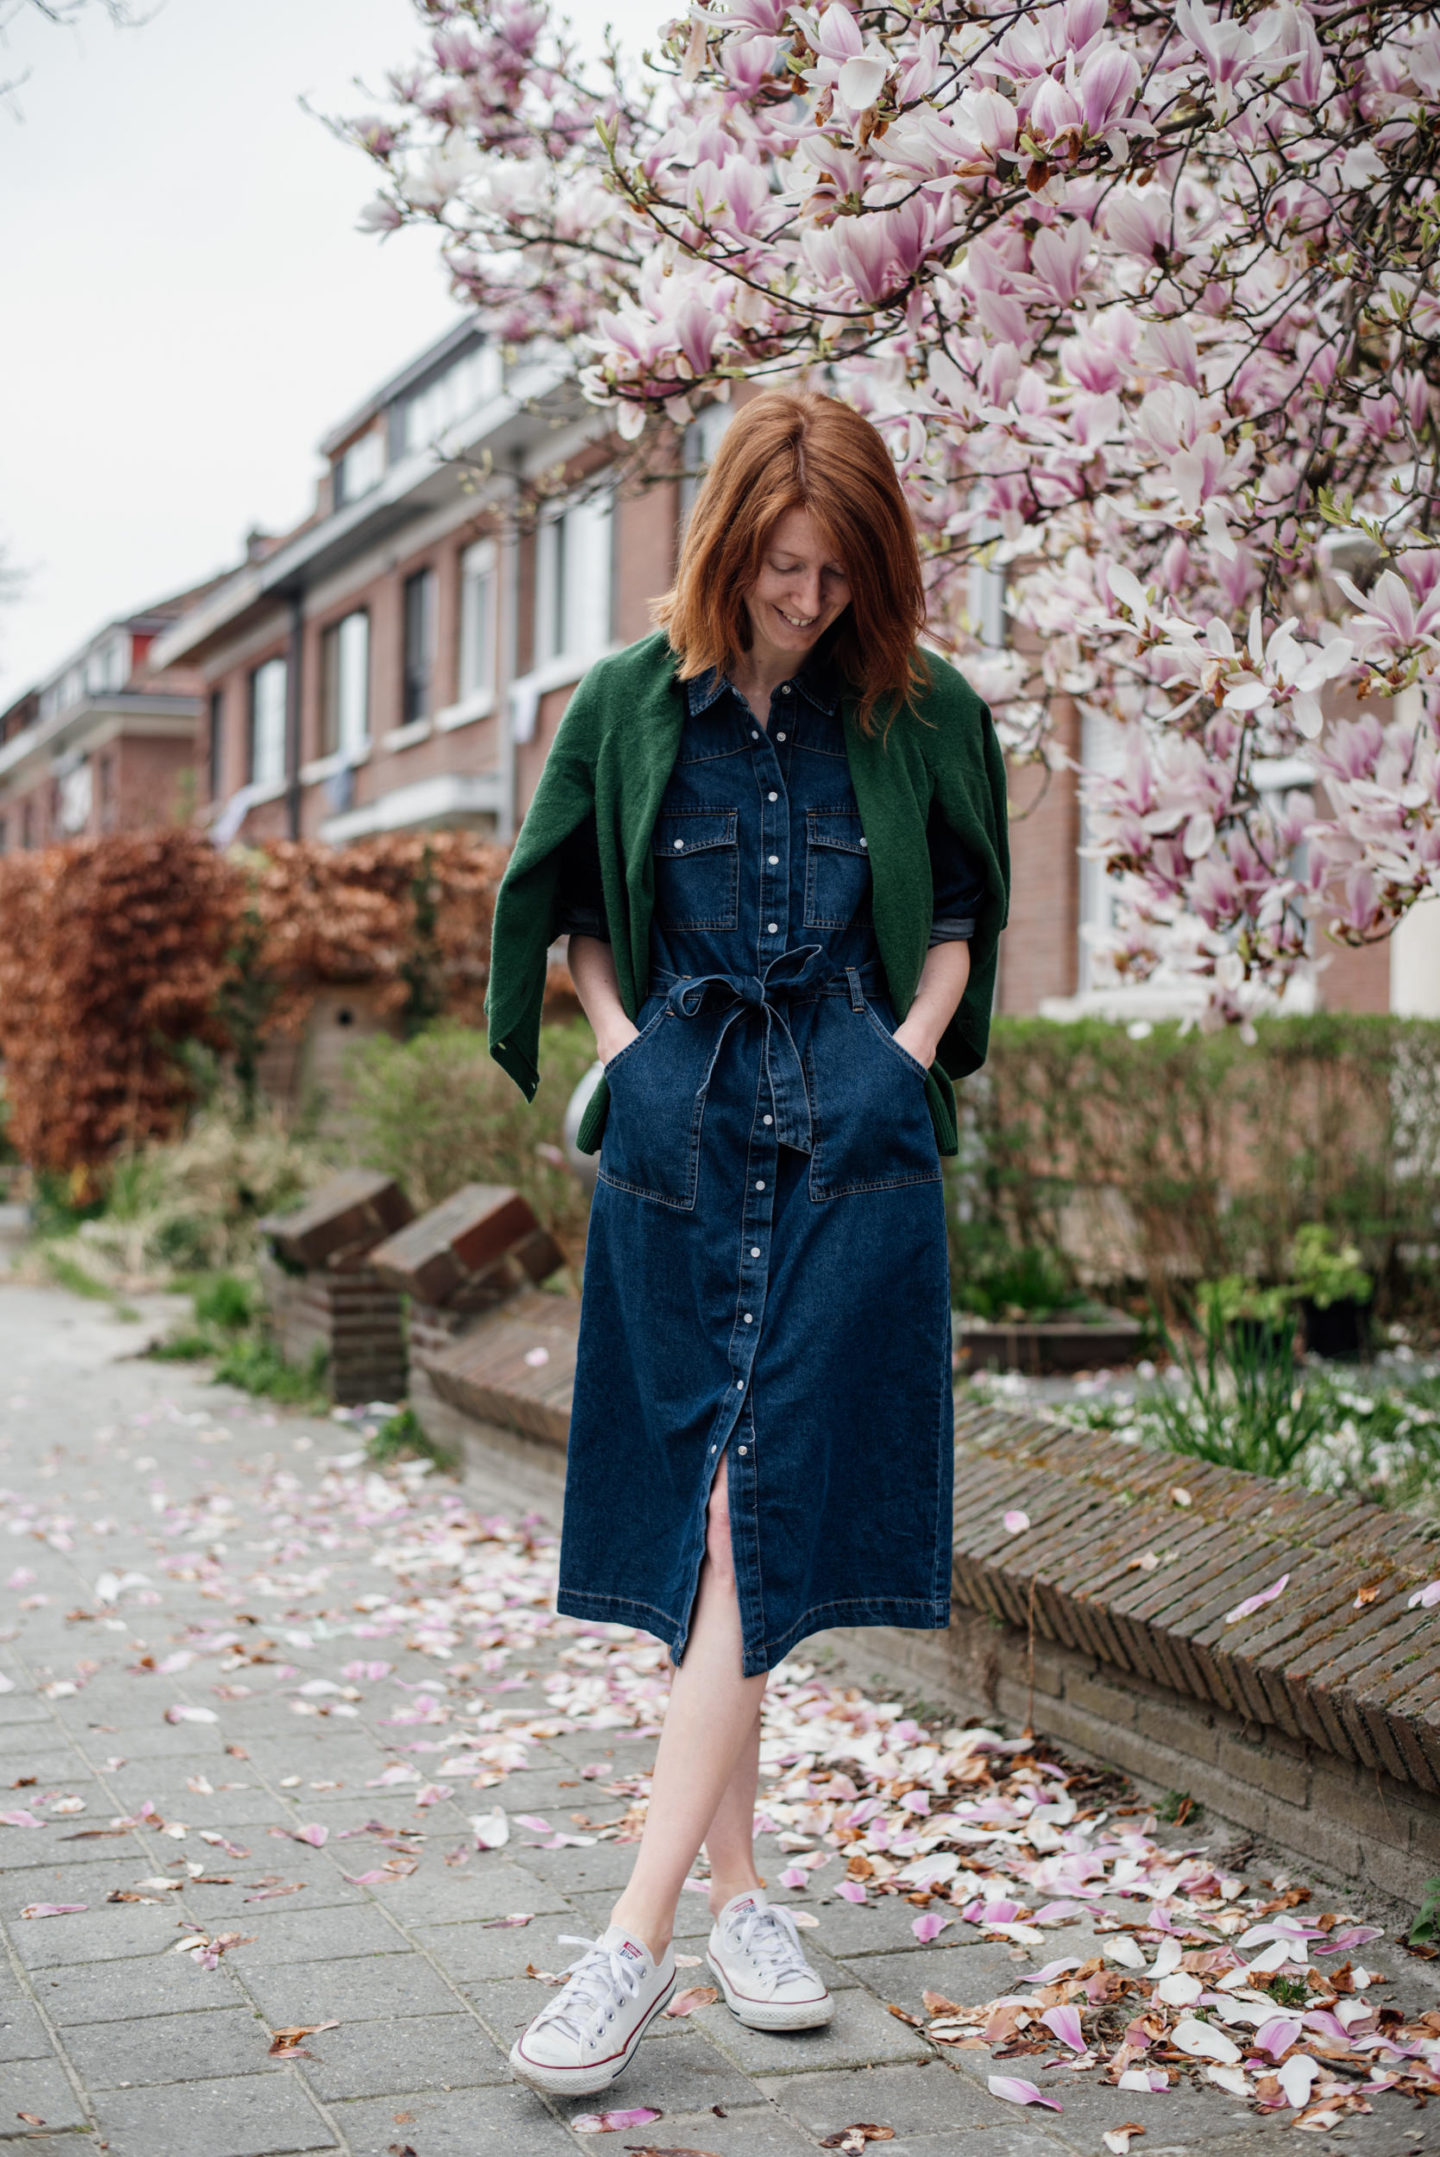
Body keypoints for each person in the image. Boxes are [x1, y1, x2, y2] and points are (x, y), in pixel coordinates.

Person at [485, 389, 1010, 2097]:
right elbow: (562, 901)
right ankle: (738, 1903)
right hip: (683, 1144)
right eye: (784, 565)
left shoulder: (918, 710)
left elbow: (956, 911)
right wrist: (627, 1054)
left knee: (740, 1510)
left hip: (848, 1153)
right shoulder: (635, 701)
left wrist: (904, 1059)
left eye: (840, 569)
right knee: (716, 1511)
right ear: (729, 547)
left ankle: (629, 1946)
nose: (809, 598)